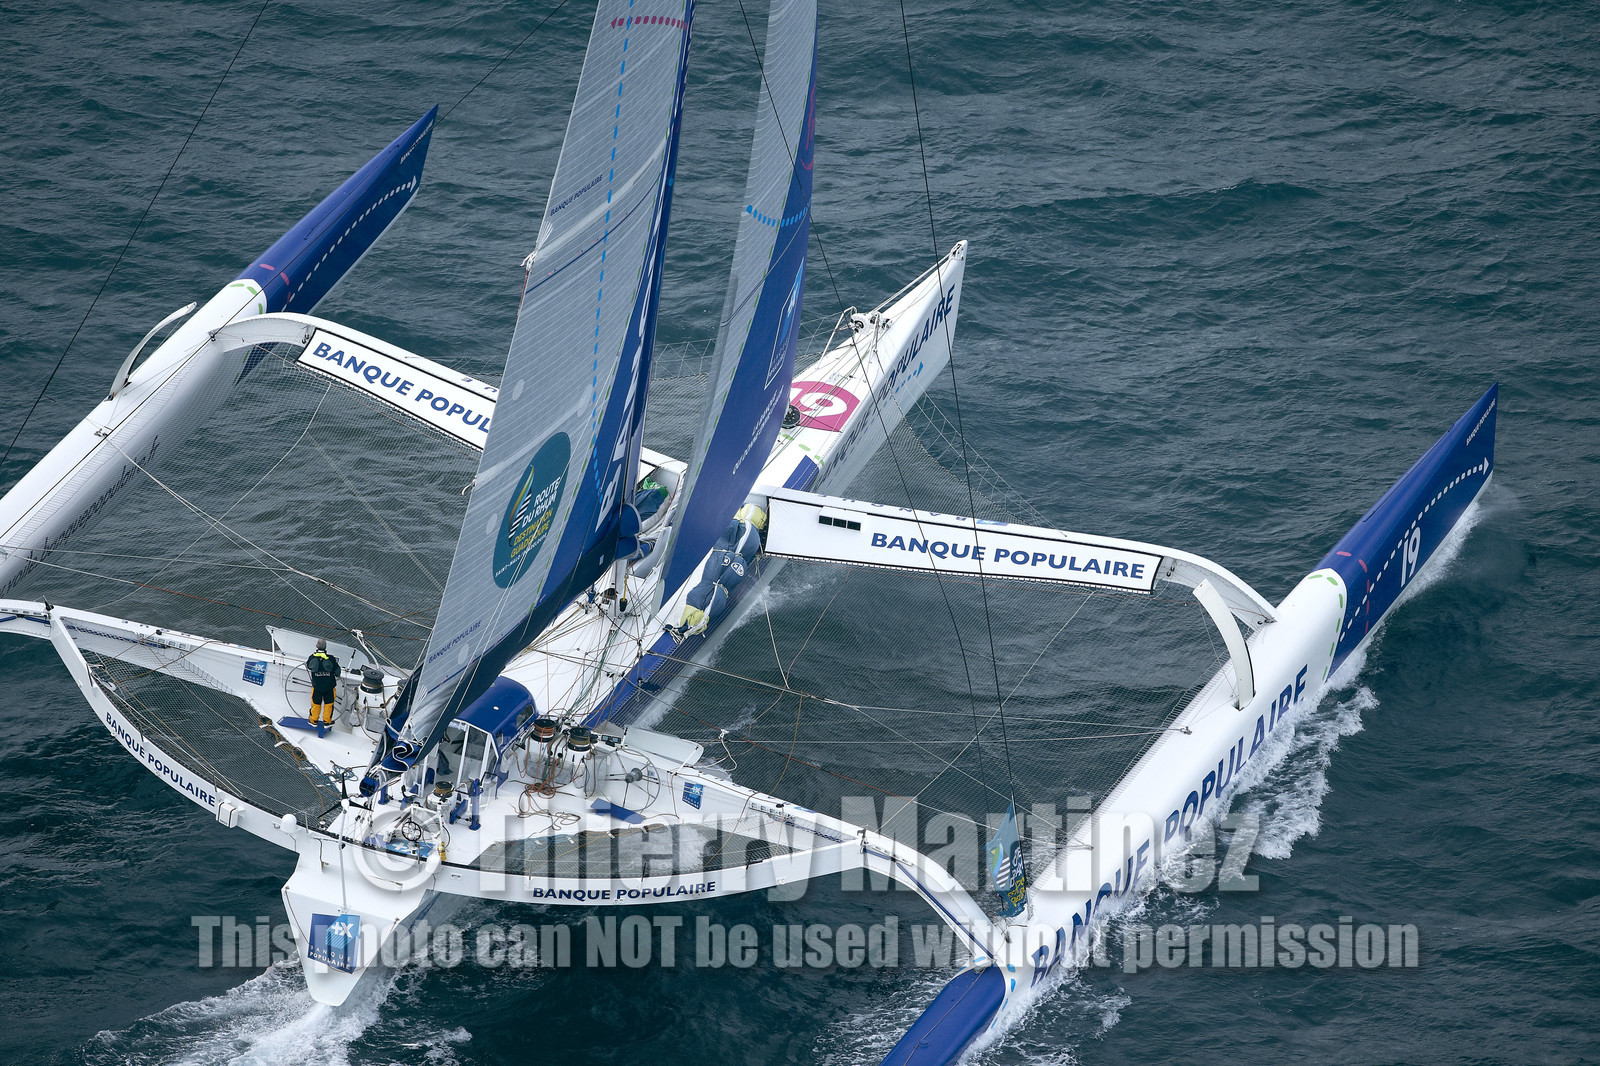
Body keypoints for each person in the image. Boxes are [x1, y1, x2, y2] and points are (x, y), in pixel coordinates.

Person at [306, 638, 341, 726]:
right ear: (325, 647)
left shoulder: (312, 658)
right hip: (329, 686)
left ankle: (313, 721)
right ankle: (327, 722)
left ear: (316, 646)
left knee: (316, 703)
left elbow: (308, 666)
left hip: (317, 686)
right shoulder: (331, 658)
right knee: (329, 704)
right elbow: (337, 672)